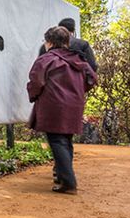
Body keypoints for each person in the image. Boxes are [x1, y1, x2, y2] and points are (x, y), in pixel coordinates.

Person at [28, 26, 97, 194]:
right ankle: (62, 176)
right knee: (66, 140)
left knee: (57, 141)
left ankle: (68, 181)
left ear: (50, 42)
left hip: (53, 105)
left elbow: (36, 81)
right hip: (74, 105)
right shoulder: (78, 59)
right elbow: (92, 78)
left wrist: (34, 96)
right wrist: (78, 91)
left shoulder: (46, 60)